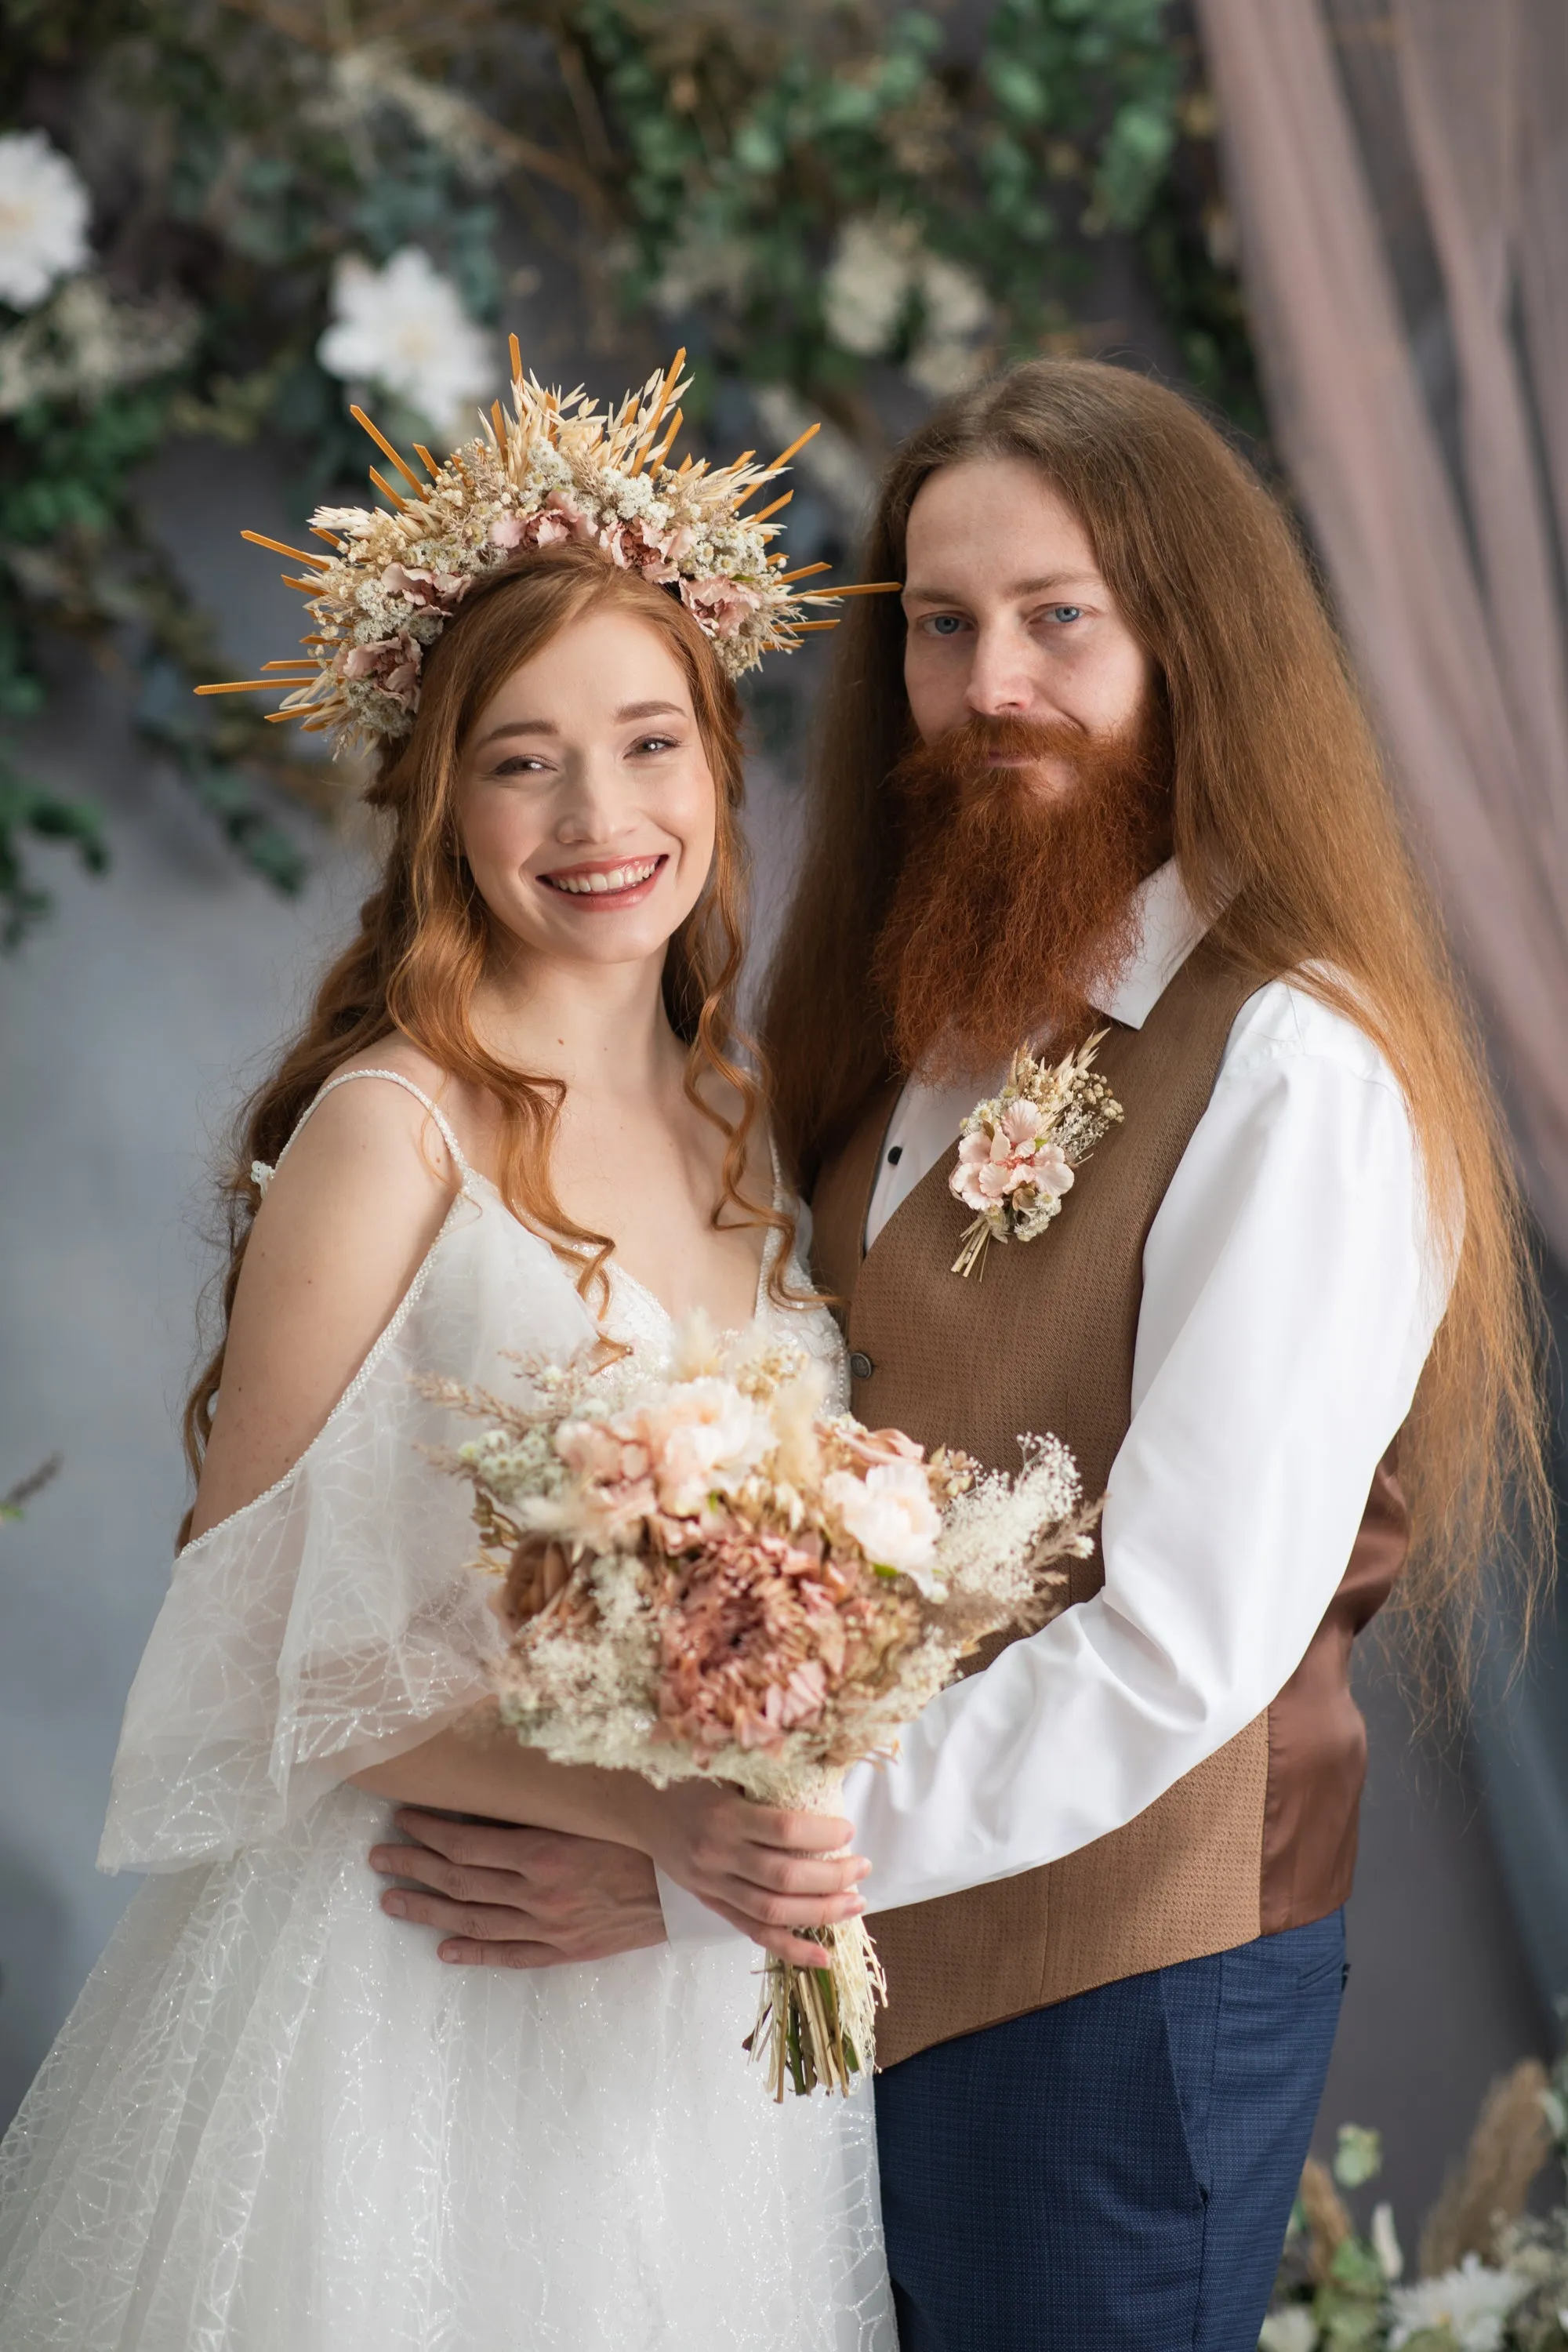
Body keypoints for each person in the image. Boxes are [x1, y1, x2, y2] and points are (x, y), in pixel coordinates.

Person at [401, 360, 1551, 2352]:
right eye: (940, 626)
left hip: (1118, 2001)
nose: (989, 680)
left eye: (1055, 619)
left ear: (1188, 640)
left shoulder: (1292, 1065)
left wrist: (700, 1890)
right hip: (871, 1960)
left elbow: (1175, 1650)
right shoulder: (952, 1002)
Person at [0, 363, 897, 2349]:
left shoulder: (740, 1130)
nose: (600, 819)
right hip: (411, 1976)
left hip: (678, 2016)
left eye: (648, 742)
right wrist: (663, 1824)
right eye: (521, 760)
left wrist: (730, 1815)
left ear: (719, 768)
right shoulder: (390, 1129)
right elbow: (243, 1645)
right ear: (435, 799)